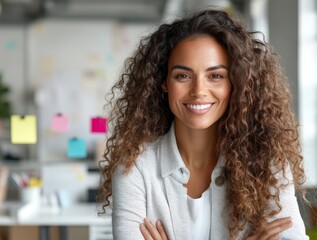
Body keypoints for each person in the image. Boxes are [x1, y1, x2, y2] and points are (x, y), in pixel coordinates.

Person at [98, 9, 309, 240]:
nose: (199, 91)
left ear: (235, 83)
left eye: (216, 76)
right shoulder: (134, 167)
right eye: (183, 76)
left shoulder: (267, 161)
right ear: (164, 83)